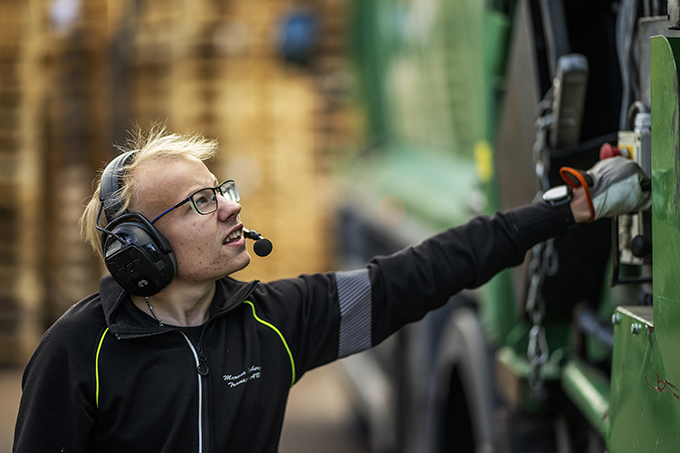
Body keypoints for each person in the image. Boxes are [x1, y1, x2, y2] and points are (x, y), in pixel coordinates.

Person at [12, 126, 651, 452]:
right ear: (140, 249)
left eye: (222, 191)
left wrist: (567, 209)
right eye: (199, 204)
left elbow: (426, 271)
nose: (230, 209)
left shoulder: (276, 324)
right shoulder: (79, 352)